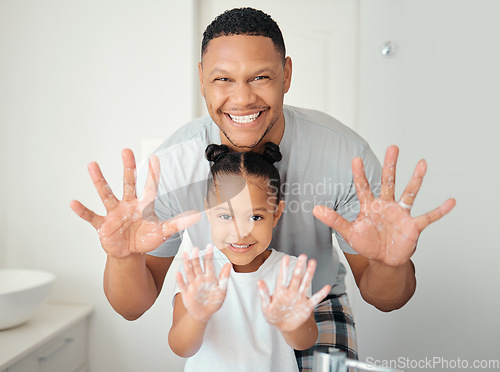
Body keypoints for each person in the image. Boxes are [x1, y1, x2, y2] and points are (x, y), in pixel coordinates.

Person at [70, 7, 456, 371]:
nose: (242, 98)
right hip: (216, 303)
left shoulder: (344, 157)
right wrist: (122, 257)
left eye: (260, 77)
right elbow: (132, 307)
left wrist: (391, 262)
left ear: (286, 74)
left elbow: (387, 299)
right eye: (223, 79)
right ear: (202, 77)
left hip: (311, 304)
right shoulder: (171, 166)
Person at [168, 143, 331, 372]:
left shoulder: (290, 270)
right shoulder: (196, 270)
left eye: (255, 217)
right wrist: (197, 317)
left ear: (276, 214)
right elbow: (181, 348)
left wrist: (291, 324)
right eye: (226, 216)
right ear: (208, 211)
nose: (241, 232)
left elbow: (304, 341)